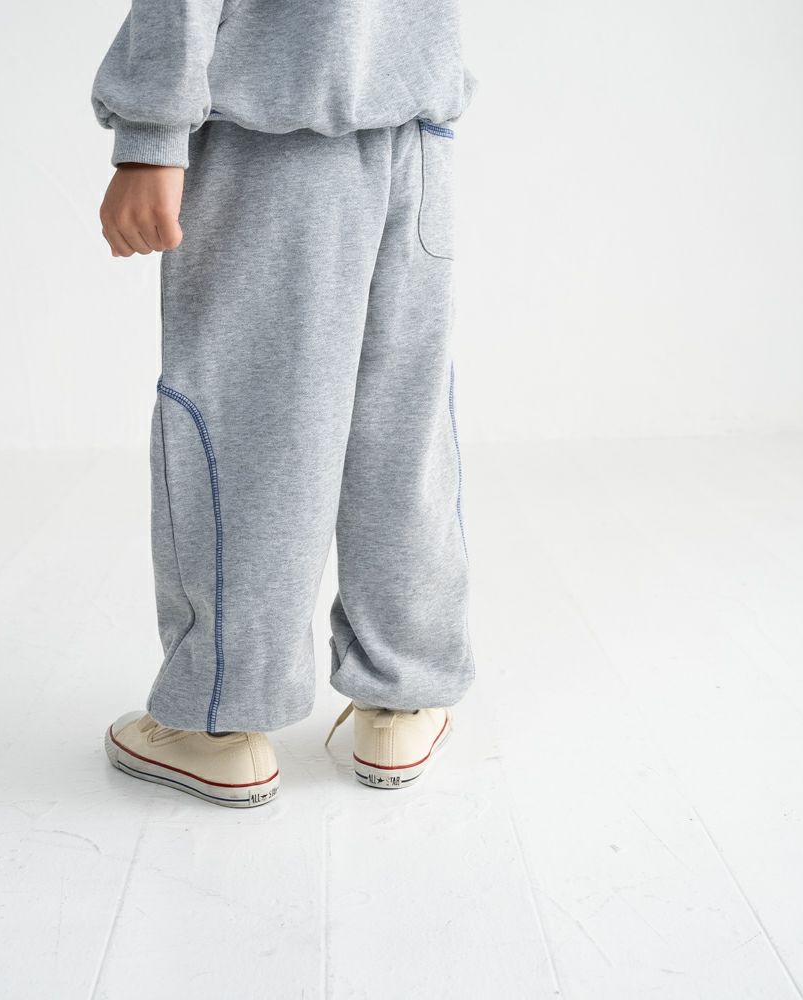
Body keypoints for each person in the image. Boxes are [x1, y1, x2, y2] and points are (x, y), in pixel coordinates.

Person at [92, 0, 476, 808]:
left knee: (254, 431)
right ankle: (401, 701)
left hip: (274, 137)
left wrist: (151, 134)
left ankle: (220, 723)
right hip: (415, 134)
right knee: (398, 433)